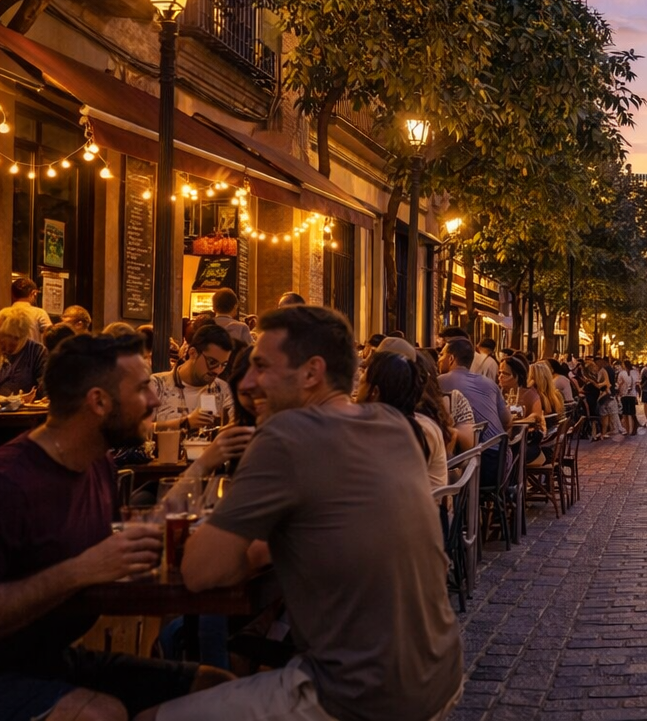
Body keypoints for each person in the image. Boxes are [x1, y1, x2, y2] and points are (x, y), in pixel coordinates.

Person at [167, 306, 463, 721]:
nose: (246, 383)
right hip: (440, 671)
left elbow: (199, 573)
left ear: (311, 373)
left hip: (360, 693)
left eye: (261, 367)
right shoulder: (392, 425)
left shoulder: (285, 436)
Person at [0, 333, 230, 719]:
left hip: (48, 660)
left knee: (214, 690)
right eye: (141, 389)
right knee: (100, 713)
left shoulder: (98, 465)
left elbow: (117, 555)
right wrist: (79, 571)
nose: (155, 400)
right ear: (98, 401)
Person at [357, 351, 449, 489]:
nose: (357, 389)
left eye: (362, 382)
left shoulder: (407, 434)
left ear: (375, 392)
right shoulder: (411, 424)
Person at [440, 338, 509, 483]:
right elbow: (507, 421)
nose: (438, 360)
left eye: (441, 355)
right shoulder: (490, 383)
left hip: (476, 464)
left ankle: (454, 504)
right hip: (501, 460)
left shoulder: (440, 382)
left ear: (451, 358)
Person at [150, 324, 235, 433]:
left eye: (223, 365)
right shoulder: (158, 384)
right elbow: (138, 430)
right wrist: (184, 423)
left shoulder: (223, 390)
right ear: (193, 353)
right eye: (212, 362)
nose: (217, 370)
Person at [8, 277, 53, 342]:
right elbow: (51, 335)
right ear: (34, 293)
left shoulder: (4, 314)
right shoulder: (39, 313)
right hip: (33, 352)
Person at [616, 360, 641, 435]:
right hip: (632, 394)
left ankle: (627, 429)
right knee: (632, 412)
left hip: (624, 394)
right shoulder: (635, 372)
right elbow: (637, 383)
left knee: (626, 412)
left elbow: (619, 384)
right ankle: (633, 429)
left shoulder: (622, 373)